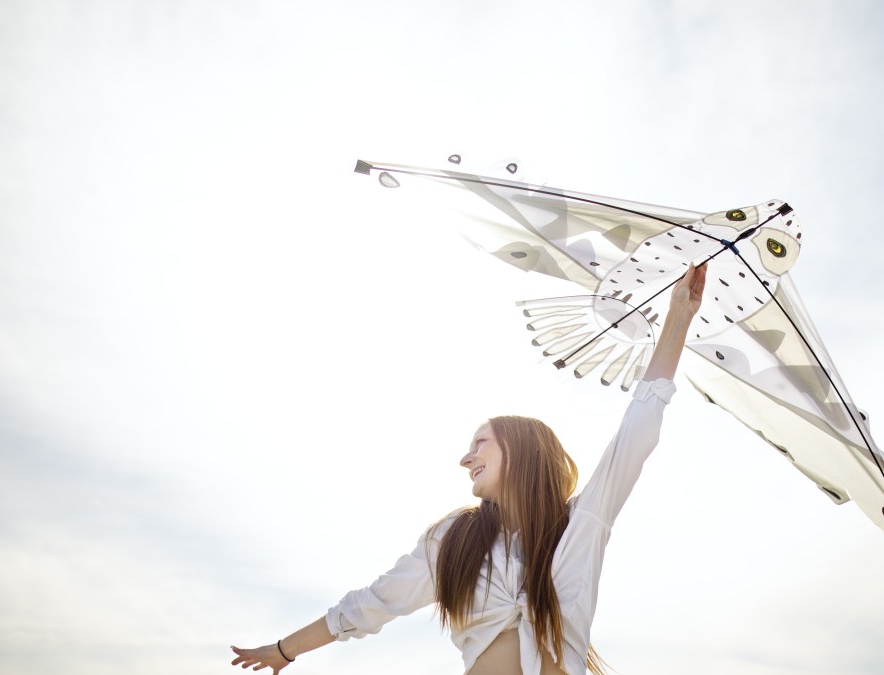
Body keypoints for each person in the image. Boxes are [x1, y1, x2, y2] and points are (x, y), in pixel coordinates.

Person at [231, 263, 708, 675]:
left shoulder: (581, 525)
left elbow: (637, 430)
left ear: (521, 450)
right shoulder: (452, 541)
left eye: (480, 443)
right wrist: (283, 650)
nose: (466, 458)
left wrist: (679, 317)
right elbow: (372, 603)